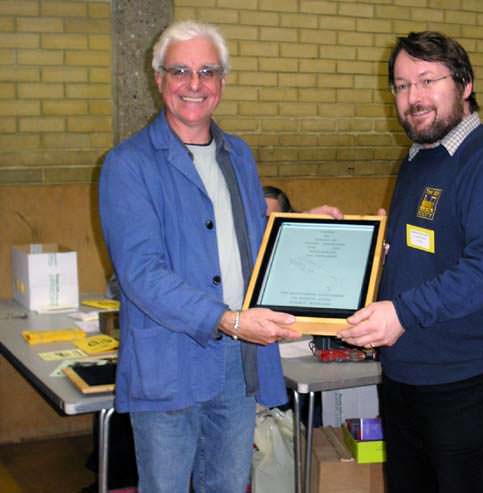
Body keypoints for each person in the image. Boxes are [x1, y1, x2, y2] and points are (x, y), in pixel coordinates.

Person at [99, 20, 339, 493]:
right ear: (159, 79)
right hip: (168, 362)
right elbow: (142, 275)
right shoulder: (128, 165)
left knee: (228, 486)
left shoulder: (238, 155)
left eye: (207, 71)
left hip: (238, 364)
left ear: (223, 82)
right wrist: (228, 320)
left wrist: (308, 233)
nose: (194, 84)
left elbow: (249, 242)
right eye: (181, 71)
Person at [338, 31, 483, 493]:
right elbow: (426, 252)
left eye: (427, 80)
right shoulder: (417, 159)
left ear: (464, 84)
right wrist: (369, 257)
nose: (413, 97)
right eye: (402, 86)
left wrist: (401, 312)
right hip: (406, 376)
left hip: (465, 381)